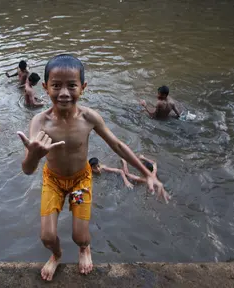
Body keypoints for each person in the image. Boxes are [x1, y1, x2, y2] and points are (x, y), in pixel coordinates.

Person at [16, 54, 170, 281]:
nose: (64, 93)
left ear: (83, 87)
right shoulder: (39, 122)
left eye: (72, 85)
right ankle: (56, 255)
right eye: (56, 86)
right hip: (53, 182)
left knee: (80, 236)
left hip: (80, 181)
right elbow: (28, 170)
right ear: (46, 87)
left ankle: (83, 248)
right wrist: (34, 156)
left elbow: (117, 145)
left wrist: (147, 174)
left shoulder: (89, 117)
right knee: (47, 237)